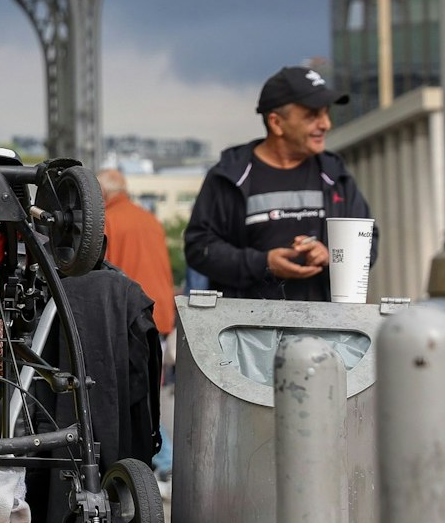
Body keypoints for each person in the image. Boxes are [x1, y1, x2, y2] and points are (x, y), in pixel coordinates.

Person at [184, 65, 372, 301]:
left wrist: (330, 256)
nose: (326, 124)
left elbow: (367, 240)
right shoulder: (230, 176)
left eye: (326, 113)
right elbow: (199, 248)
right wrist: (263, 263)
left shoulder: (335, 174)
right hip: (245, 323)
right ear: (276, 123)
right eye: (312, 115)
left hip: (327, 323)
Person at [97, 168, 176, 337]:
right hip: (160, 313)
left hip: (129, 316)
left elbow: (99, 273)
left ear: (102, 192)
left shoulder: (106, 220)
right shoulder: (151, 219)